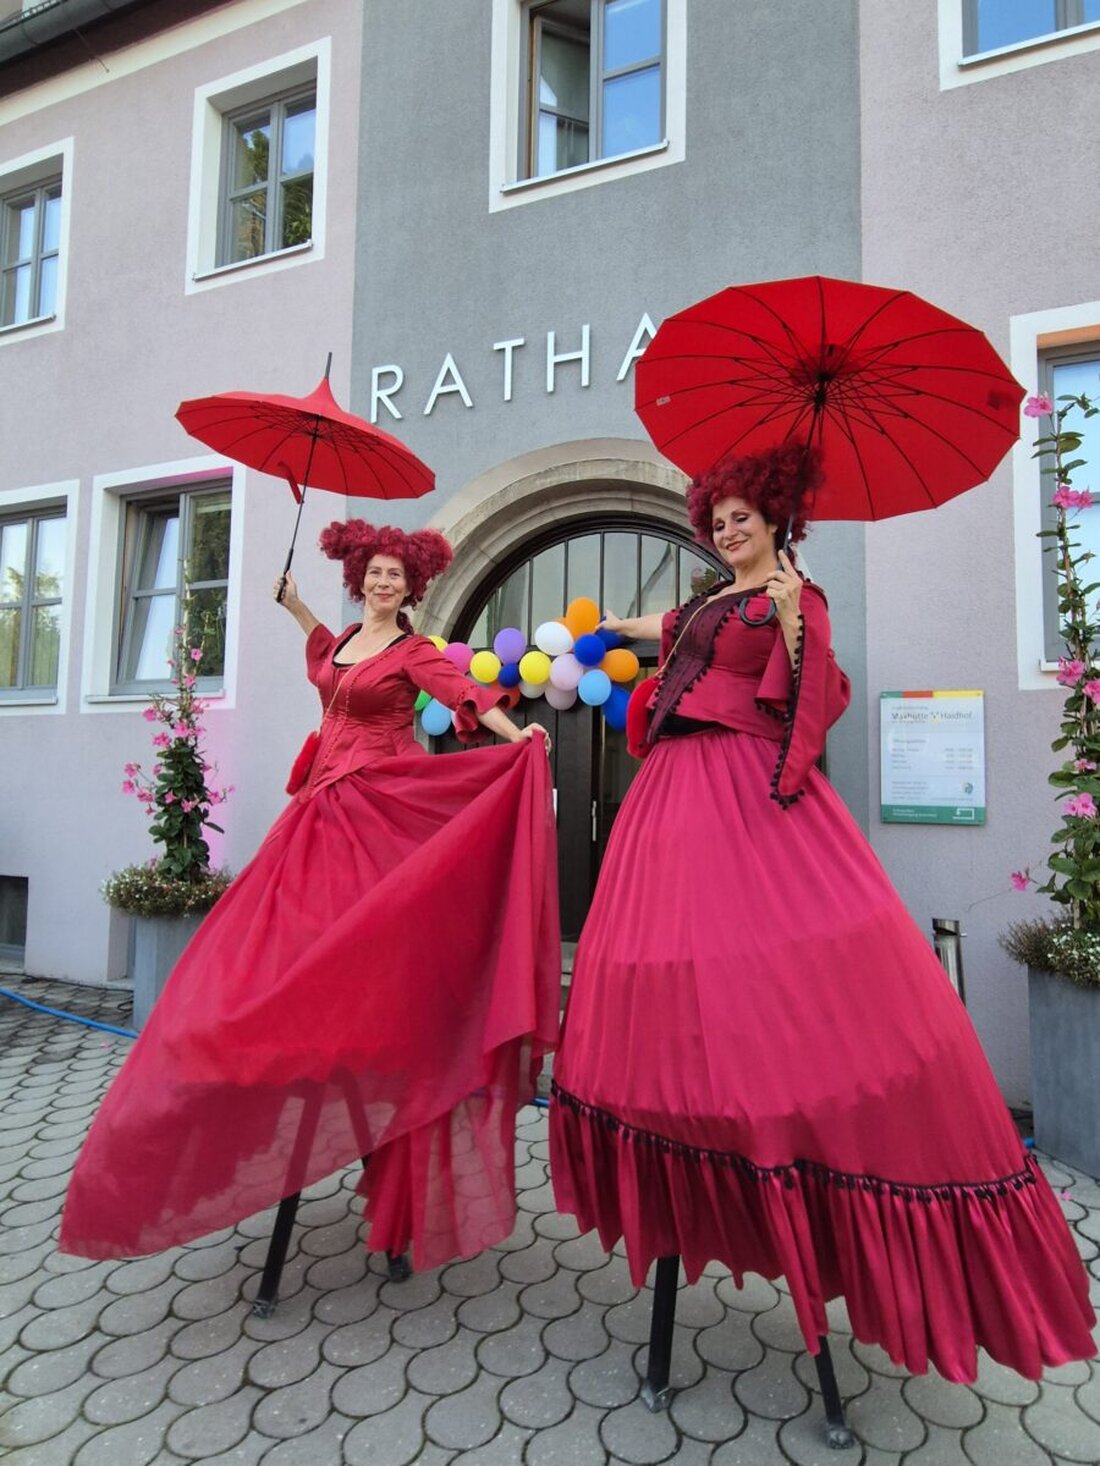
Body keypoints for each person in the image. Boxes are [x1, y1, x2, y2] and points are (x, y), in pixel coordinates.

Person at [549, 443, 1095, 1383]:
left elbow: (807, 701)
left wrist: (800, 617)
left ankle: (791, 1159)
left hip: (739, 794)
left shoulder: (793, 600)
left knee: (771, 990)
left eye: (742, 518)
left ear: (774, 523)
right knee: (663, 984)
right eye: (716, 519)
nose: (727, 529)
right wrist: (594, 634)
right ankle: (692, 1159)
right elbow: (656, 625)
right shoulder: (709, 603)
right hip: (667, 801)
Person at [62, 520, 560, 1272]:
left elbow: (460, 689)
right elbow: (326, 661)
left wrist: (512, 729)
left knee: (371, 958)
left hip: (376, 810)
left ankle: (377, 1100)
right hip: (318, 810)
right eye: (376, 573)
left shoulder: (411, 650)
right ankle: (275, 1059)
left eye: (397, 575)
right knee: (281, 945)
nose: (386, 582)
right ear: (361, 578)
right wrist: (294, 604)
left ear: (412, 586)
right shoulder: (344, 642)